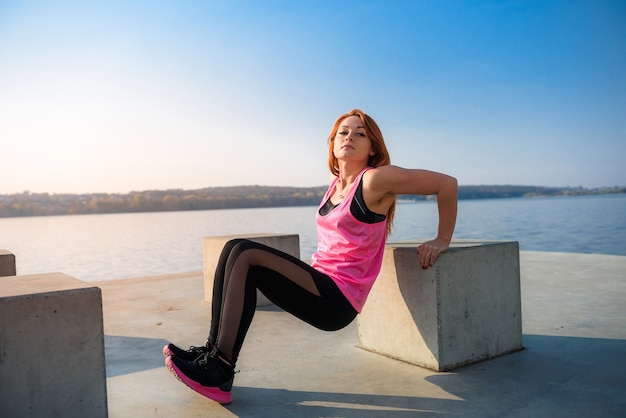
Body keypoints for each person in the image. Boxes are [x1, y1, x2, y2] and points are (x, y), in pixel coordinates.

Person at [163, 109, 458, 404]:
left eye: (360, 134)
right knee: (233, 249)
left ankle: (220, 369)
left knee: (244, 251)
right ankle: (212, 353)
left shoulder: (374, 180)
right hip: (318, 283)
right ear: (332, 142)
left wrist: (441, 239)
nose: (350, 138)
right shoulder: (335, 185)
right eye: (343, 132)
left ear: (373, 148)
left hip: (337, 299)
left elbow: (447, 184)